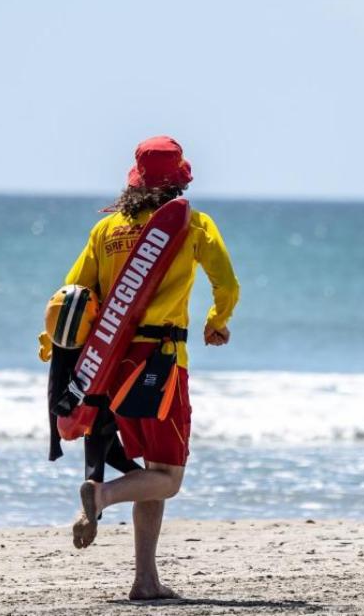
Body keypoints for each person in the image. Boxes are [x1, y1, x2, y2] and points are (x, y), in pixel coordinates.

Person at [61, 135, 239, 600]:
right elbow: (227, 283)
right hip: (161, 365)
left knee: (150, 471)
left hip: (112, 367)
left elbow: (74, 295)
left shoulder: (106, 230)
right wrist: (217, 322)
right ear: (177, 181)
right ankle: (99, 496)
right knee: (169, 478)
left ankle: (145, 580)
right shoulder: (193, 225)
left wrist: (55, 352)